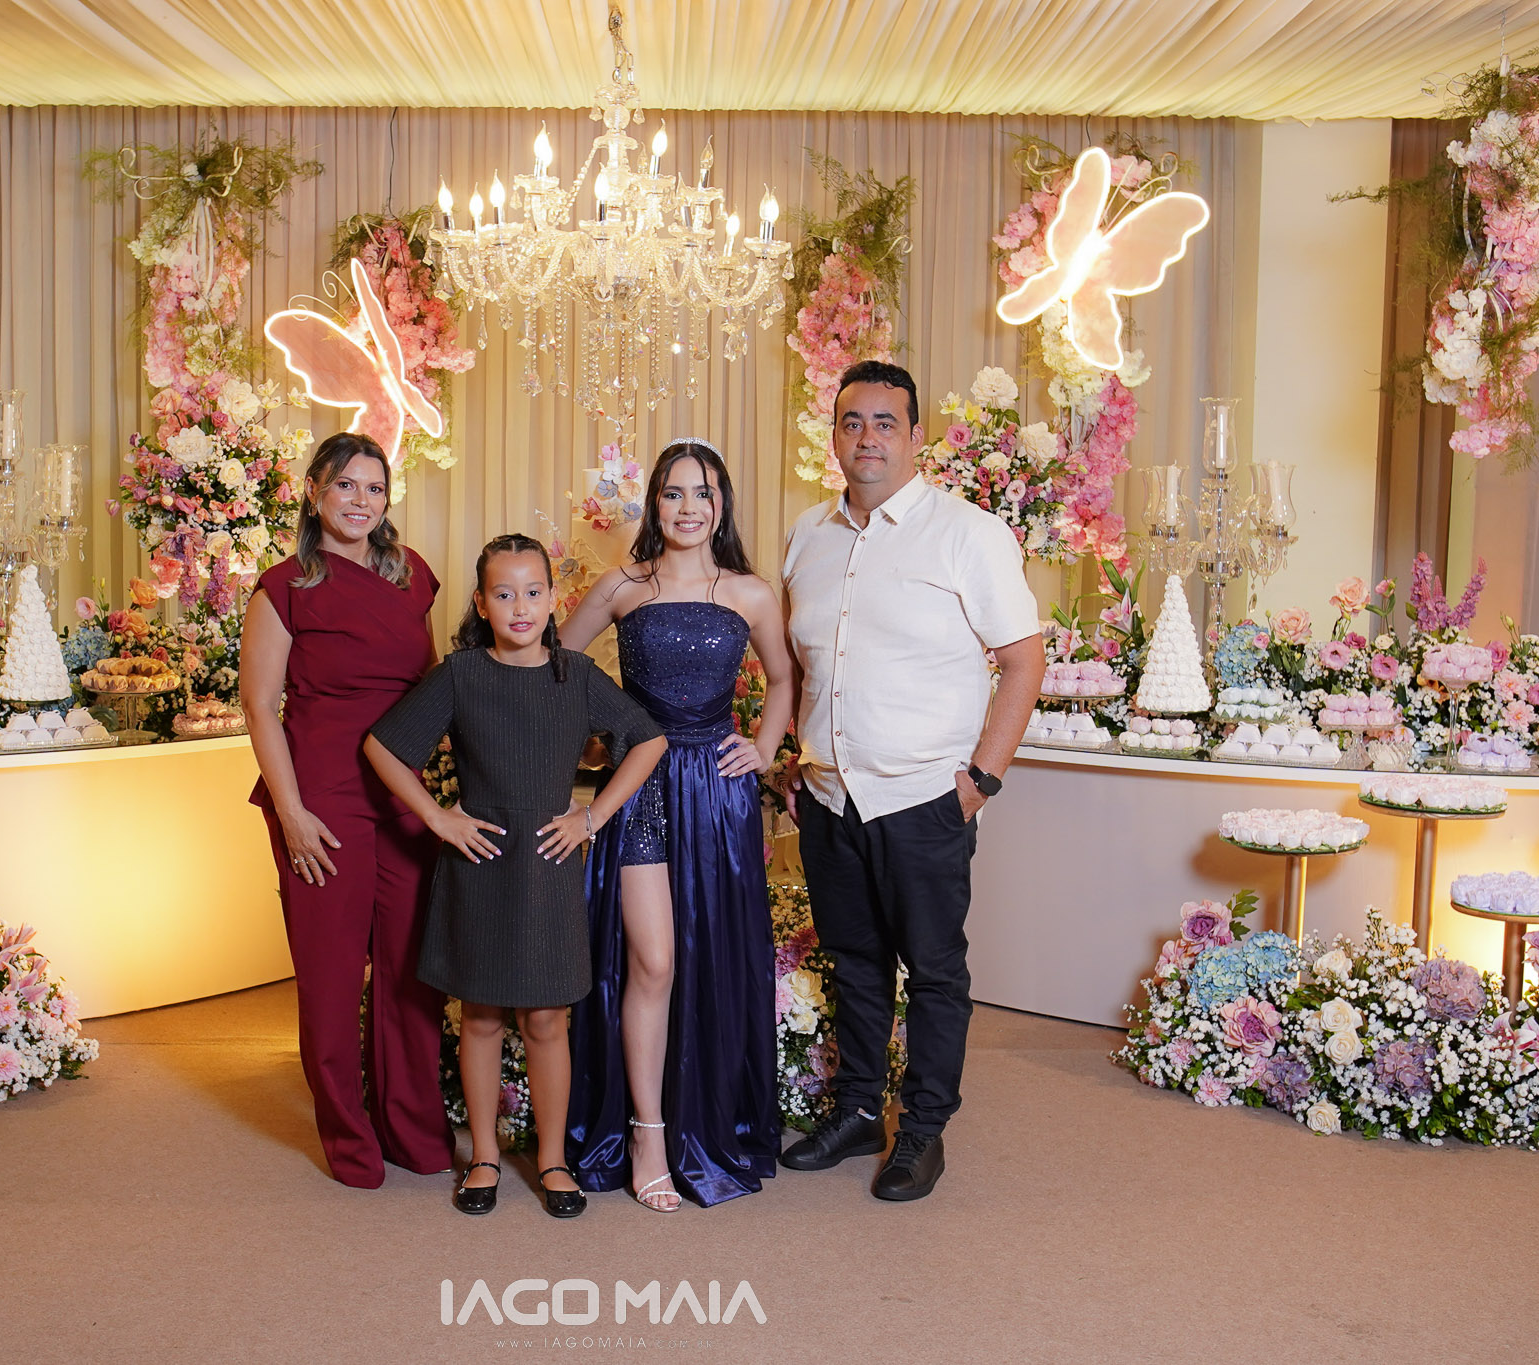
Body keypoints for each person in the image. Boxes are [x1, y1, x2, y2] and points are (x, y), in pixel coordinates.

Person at [777, 360, 1044, 1202]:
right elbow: (801, 662)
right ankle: (859, 1109)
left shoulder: (968, 533)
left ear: (916, 437)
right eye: (852, 421)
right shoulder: (807, 535)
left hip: (925, 797)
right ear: (833, 435)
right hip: (830, 799)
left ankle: (922, 1128)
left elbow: (1023, 659)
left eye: (885, 422)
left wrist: (981, 780)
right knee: (854, 962)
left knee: (932, 970)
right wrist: (796, 754)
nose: (868, 438)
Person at [363, 534, 666, 1218]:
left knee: (547, 1018)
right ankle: (484, 1155)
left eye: (533, 592)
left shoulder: (575, 674)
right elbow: (382, 745)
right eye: (504, 594)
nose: (520, 606)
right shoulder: (461, 674)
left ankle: (552, 1159)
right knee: (479, 1016)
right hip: (480, 864)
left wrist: (593, 818)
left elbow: (649, 740)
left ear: (554, 599)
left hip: (550, 866)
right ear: (481, 602)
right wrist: (436, 817)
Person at [560, 439, 793, 1211]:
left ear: (722, 504)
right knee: (653, 962)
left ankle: (705, 1119)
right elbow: (556, 667)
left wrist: (763, 747)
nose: (688, 507)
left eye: (703, 492)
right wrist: (595, 741)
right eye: (673, 492)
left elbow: (784, 677)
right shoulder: (623, 584)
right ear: (653, 503)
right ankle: (648, 1133)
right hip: (640, 784)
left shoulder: (750, 592)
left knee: (711, 958)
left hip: (717, 792)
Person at [238, 432, 450, 1190]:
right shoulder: (283, 588)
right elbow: (260, 706)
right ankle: (349, 1137)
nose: (362, 501)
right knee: (331, 980)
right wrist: (291, 812)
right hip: (322, 799)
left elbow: (431, 686)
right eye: (346, 485)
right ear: (314, 491)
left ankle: (412, 1128)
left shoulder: (411, 575)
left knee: (411, 975)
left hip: (401, 796)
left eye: (375, 488)